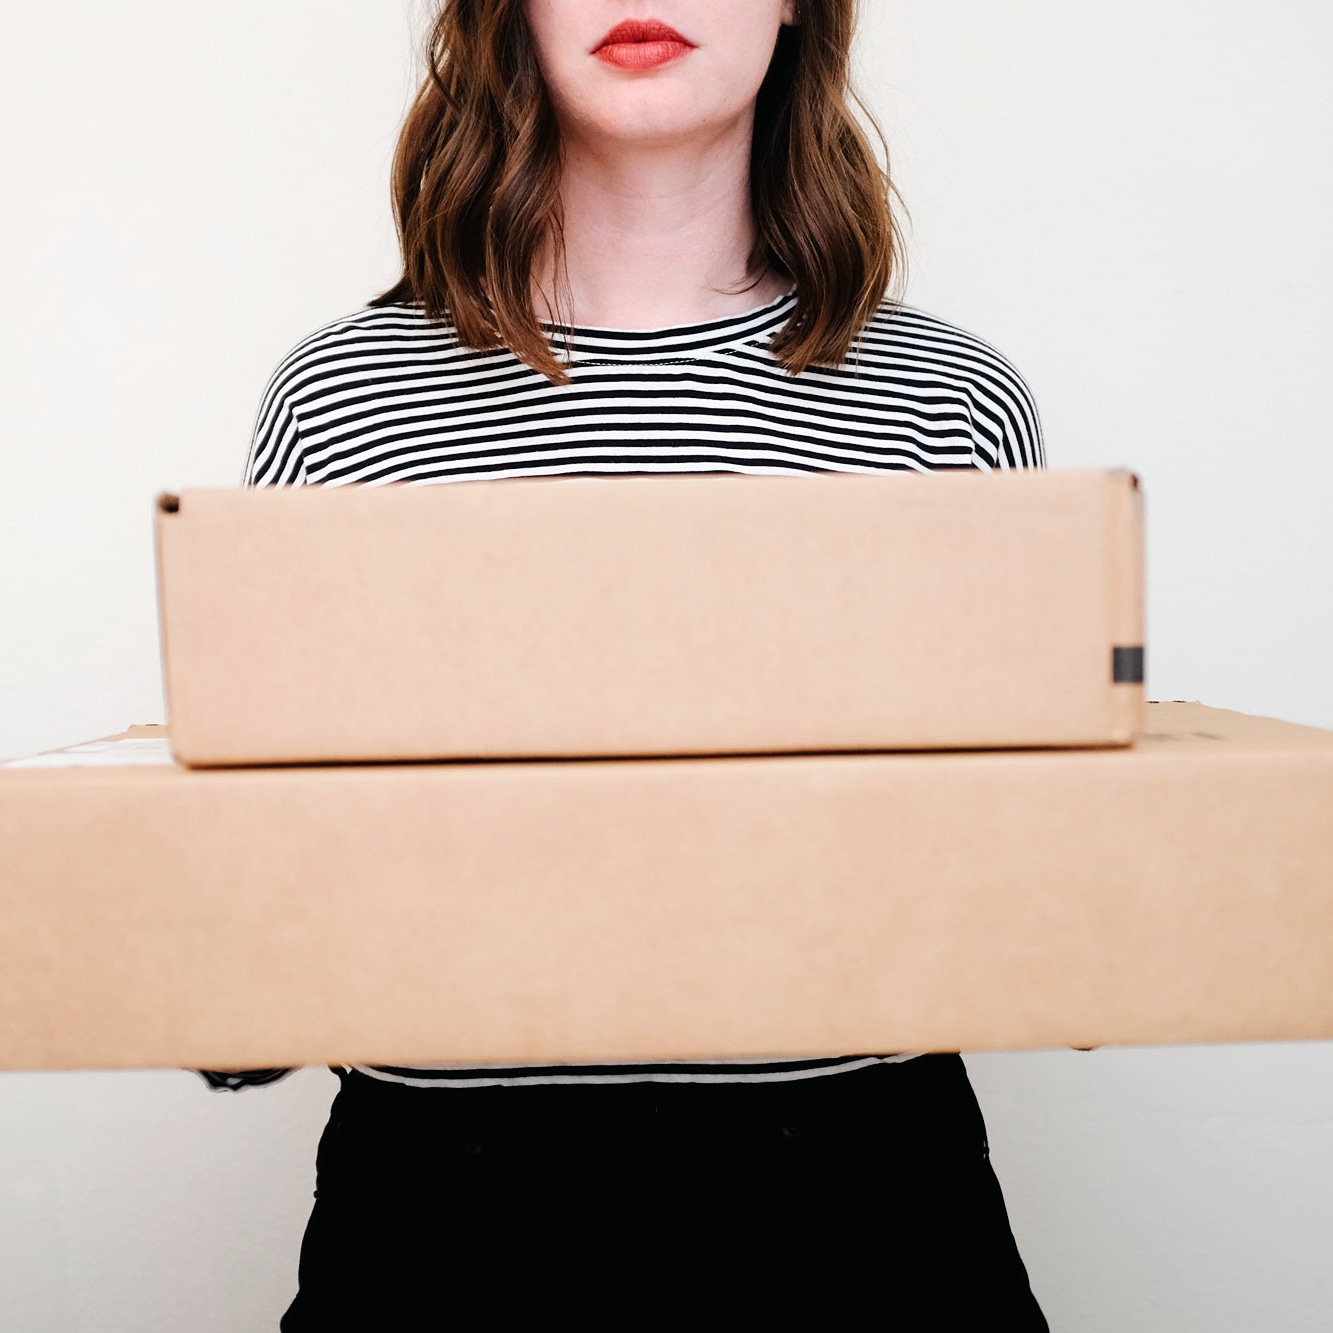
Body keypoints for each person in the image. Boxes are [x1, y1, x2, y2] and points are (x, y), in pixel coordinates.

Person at [215, 1, 1049, 1325]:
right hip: (450, 1208)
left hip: (861, 1194)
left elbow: (1022, 871)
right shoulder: (341, 402)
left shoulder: (944, 401)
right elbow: (254, 886)